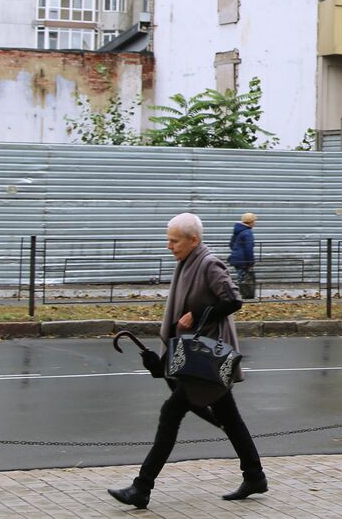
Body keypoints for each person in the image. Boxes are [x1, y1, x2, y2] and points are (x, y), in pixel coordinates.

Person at [108, 212, 267, 509]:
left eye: (174, 240)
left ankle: (141, 488)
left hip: (206, 360)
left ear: (193, 240)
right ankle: (255, 475)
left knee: (171, 413)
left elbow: (233, 300)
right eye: (168, 239)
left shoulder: (208, 264)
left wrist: (198, 313)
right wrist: (163, 364)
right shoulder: (186, 263)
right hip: (195, 356)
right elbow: (180, 320)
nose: (169, 245)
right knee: (229, 419)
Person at [229, 212, 257, 300]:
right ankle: (245, 295)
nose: (255, 223)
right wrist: (251, 263)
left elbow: (231, 244)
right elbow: (249, 249)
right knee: (245, 277)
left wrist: (237, 251)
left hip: (236, 259)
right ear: (250, 221)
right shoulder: (248, 232)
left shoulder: (238, 230)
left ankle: (242, 294)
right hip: (243, 259)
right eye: (254, 221)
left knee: (241, 277)